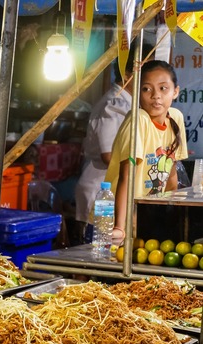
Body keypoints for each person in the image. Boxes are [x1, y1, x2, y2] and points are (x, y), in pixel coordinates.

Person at [105, 60, 188, 244]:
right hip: (120, 214)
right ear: (137, 92)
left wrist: (173, 212)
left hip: (148, 214)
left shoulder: (176, 118)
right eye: (146, 89)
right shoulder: (139, 120)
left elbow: (171, 171)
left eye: (163, 88)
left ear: (175, 91)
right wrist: (120, 226)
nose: (155, 96)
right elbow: (127, 175)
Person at [74, 45, 147, 243]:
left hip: (115, 190)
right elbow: (108, 155)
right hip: (101, 190)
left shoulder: (130, 103)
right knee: (95, 258)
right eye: (145, 71)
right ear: (127, 73)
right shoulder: (113, 105)